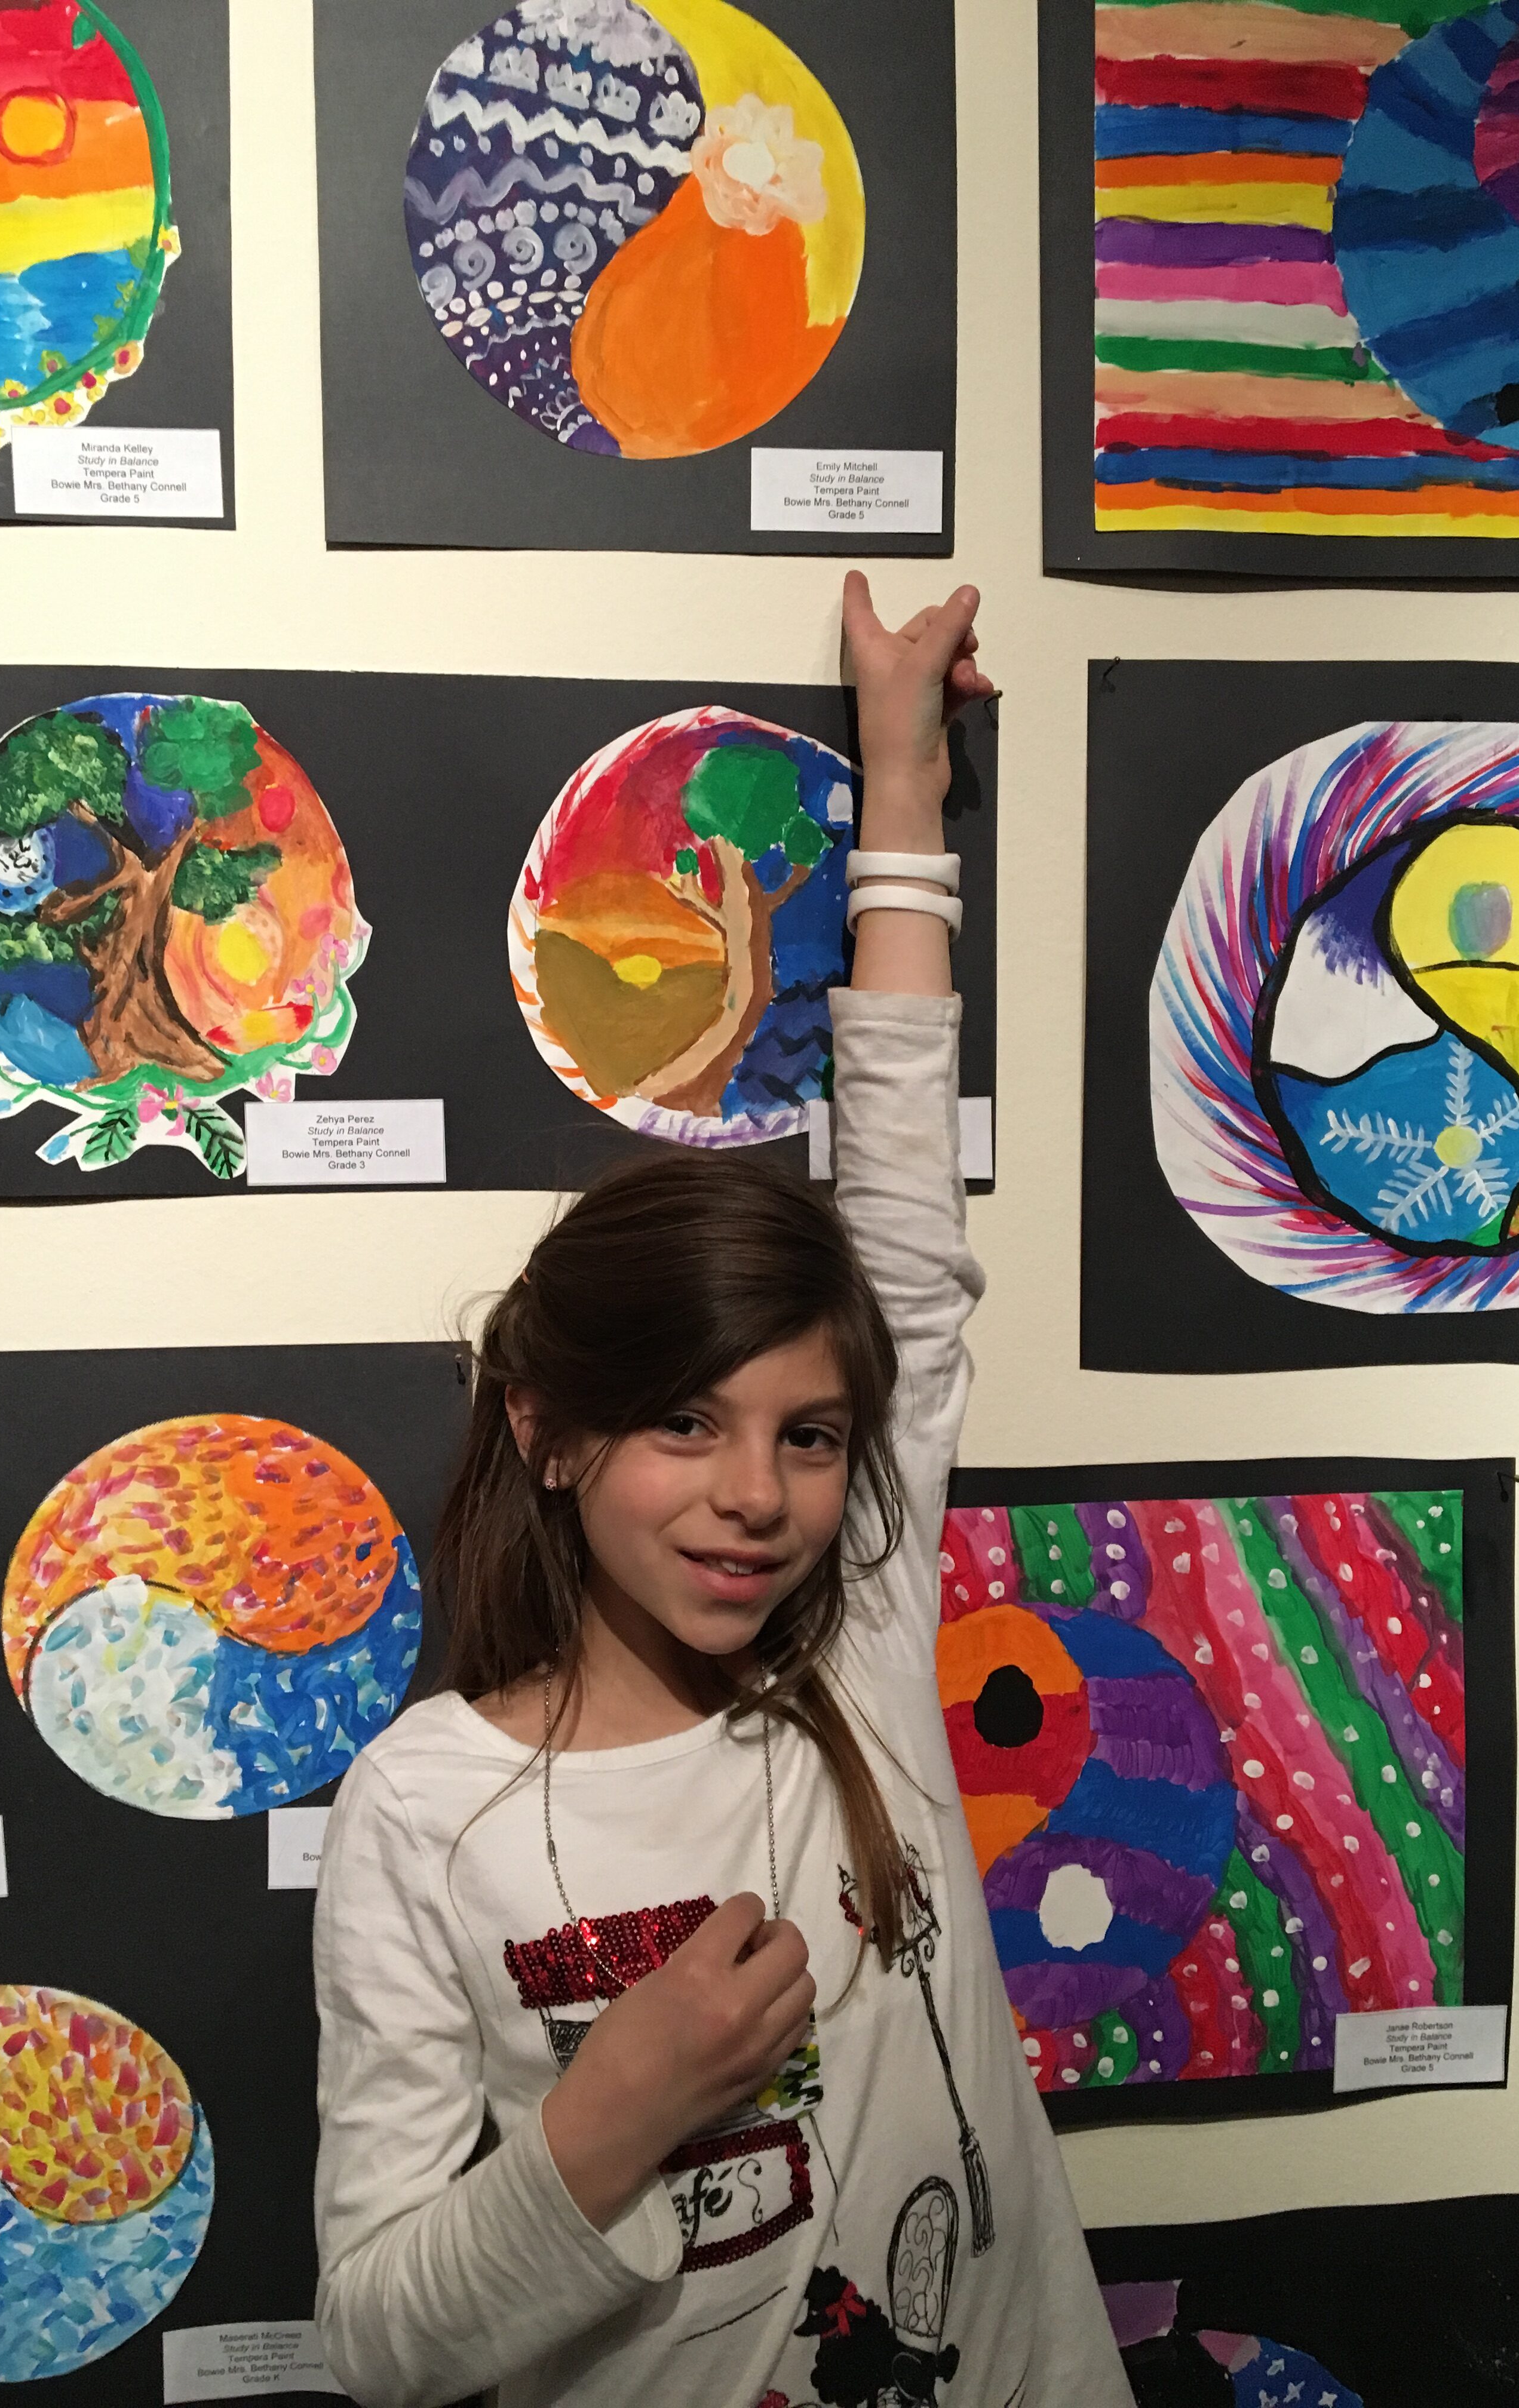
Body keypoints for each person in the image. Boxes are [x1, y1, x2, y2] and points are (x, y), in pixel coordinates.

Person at [312, 575, 1133, 2408]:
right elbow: (374, 2345)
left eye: (811, 1436)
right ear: (548, 1431)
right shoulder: (426, 1809)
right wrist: (610, 2115)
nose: (758, 1494)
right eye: (686, 1423)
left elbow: (903, 1231)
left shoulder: (857, 1634)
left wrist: (902, 787)